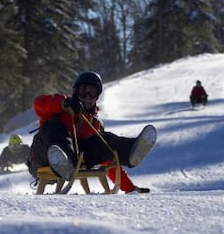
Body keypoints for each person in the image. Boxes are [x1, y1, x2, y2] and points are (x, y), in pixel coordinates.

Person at [27, 71, 157, 193]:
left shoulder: (93, 123)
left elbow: (109, 159)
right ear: (75, 91)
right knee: (55, 124)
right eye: (83, 91)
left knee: (102, 140)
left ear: (97, 96)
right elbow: (38, 104)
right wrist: (64, 103)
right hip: (42, 155)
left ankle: (130, 151)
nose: (87, 96)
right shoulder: (61, 107)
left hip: (73, 161)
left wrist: (129, 188)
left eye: (92, 92)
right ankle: (62, 160)